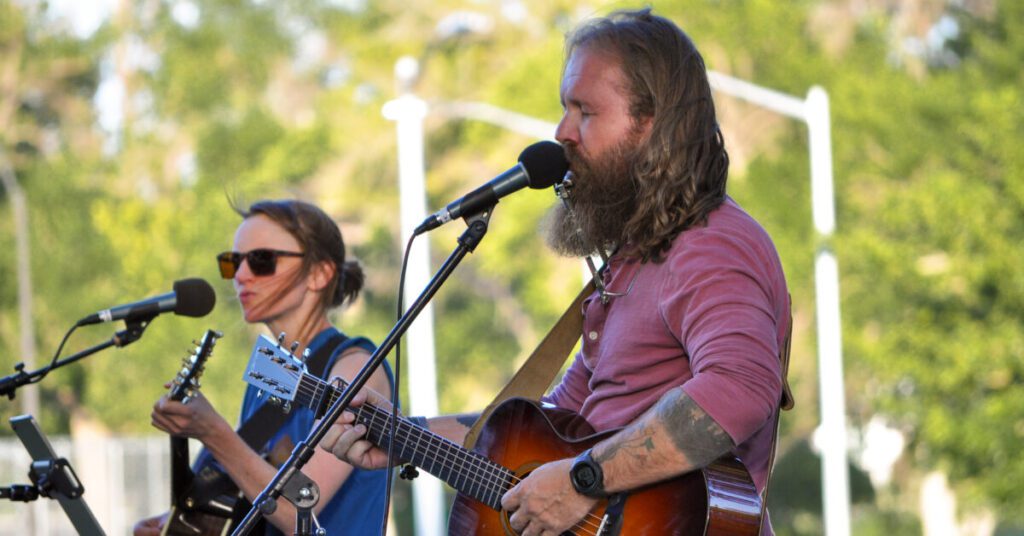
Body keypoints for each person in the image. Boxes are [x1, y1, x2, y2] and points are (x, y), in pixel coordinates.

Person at [321, 7, 789, 535]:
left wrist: (583, 481)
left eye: (585, 112)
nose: (562, 132)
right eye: (565, 109)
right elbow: (553, 428)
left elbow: (741, 386)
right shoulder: (633, 261)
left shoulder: (711, 245)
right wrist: (407, 436)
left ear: (652, 124)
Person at [133, 199, 394, 535]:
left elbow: (298, 511)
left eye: (261, 260)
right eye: (233, 262)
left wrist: (213, 432)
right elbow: (251, 493)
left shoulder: (354, 366)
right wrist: (178, 524)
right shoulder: (271, 370)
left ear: (319, 274)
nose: (241, 276)